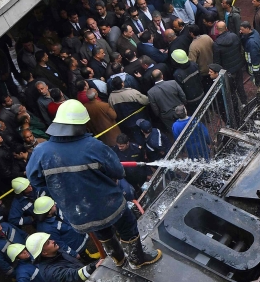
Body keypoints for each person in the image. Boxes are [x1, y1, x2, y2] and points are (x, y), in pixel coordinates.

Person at [26, 100, 161, 268]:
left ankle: (118, 259)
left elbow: (35, 180)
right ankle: (137, 260)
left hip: (79, 212)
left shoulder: (40, 151)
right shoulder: (93, 146)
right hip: (108, 204)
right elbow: (118, 171)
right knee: (127, 226)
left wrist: (62, 186)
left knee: (101, 230)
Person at [24, 233, 98, 282]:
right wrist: (94, 266)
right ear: (44, 252)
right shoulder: (49, 271)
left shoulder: (56, 251)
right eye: (48, 242)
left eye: (50, 239)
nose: (53, 241)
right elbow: (74, 275)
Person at [240, 21, 260, 86]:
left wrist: (256, 73)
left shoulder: (251, 43)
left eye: (242, 30)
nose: (241, 31)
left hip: (259, 69)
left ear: (247, 28)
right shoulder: (254, 32)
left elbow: (255, 58)